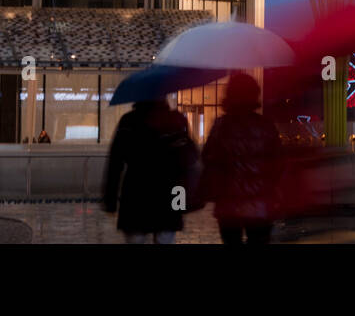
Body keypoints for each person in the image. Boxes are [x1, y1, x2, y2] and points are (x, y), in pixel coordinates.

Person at [201, 73, 282, 245]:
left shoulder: (221, 126)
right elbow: (278, 163)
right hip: (260, 202)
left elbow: (208, 158)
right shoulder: (265, 125)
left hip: (228, 202)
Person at [104, 97, 197, 245]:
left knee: (136, 238)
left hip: (136, 193)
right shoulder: (176, 120)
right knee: (165, 238)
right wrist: (183, 202)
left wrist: (110, 200)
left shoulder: (128, 122)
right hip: (171, 192)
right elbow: (188, 161)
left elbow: (115, 162)